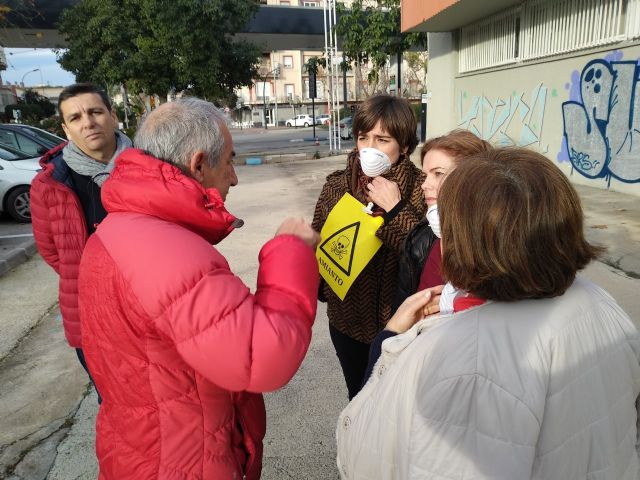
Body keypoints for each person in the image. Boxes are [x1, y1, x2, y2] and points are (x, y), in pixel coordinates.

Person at [336, 147, 640, 479]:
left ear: (467, 239)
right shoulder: (600, 301)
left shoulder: (465, 358)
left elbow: (369, 441)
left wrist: (389, 339)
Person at [77, 97, 320, 480]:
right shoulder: (165, 250)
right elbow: (263, 358)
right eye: (230, 162)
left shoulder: (117, 227)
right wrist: (290, 251)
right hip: (183, 460)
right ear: (199, 164)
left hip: (138, 446)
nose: (234, 178)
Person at [312, 94, 426, 400]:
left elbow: (426, 256)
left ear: (404, 146)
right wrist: (324, 289)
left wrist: (396, 210)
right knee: (358, 398)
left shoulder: (421, 189)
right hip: (346, 323)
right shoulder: (337, 185)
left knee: (396, 404)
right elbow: (319, 242)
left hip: (401, 326)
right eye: (364, 137)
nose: (369, 148)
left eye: (382, 139)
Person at [30, 83, 131, 395]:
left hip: (149, 307)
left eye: (95, 112)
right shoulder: (50, 184)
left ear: (113, 116)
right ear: (66, 129)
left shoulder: (150, 165)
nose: (88, 123)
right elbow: (52, 251)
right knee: (112, 401)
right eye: (75, 118)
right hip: (91, 318)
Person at [394, 129, 492, 310]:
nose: (425, 185)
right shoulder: (423, 238)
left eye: (438, 173)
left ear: (473, 180)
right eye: (425, 175)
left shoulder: (496, 247)